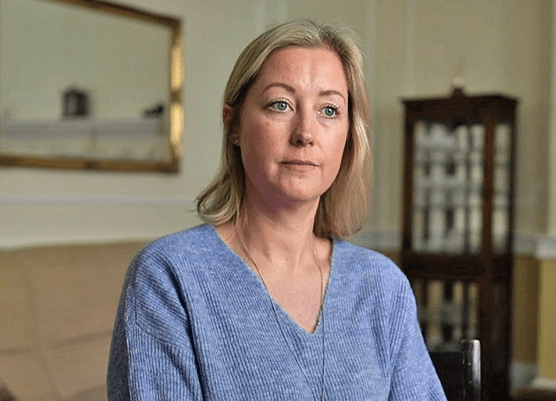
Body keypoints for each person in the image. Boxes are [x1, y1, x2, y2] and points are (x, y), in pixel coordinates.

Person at [108, 19, 446, 400]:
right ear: (233, 125)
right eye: (280, 104)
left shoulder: (383, 286)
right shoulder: (169, 277)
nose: (306, 133)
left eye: (330, 110)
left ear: (349, 135)